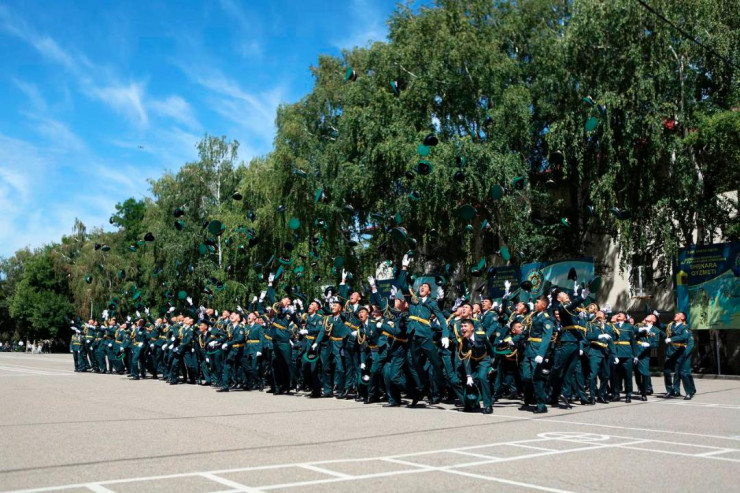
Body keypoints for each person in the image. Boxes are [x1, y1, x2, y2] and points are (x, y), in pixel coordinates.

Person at [520, 295, 554, 413]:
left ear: (543, 305)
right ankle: (532, 397)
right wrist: (512, 340)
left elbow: (547, 337)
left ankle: (541, 404)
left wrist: (541, 354)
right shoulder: (534, 316)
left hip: (537, 350)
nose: (535, 304)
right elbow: (526, 332)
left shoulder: (546, 318)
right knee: (526, 376)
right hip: (529, 350)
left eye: (537, 302)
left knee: (536, 378)